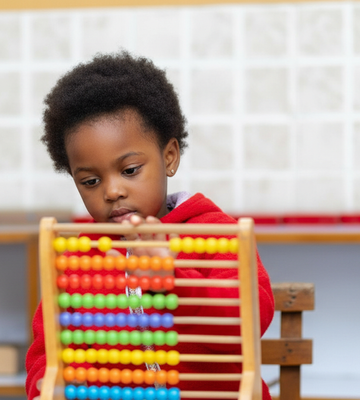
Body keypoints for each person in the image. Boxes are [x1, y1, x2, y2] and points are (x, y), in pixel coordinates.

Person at [26, 51, 275, 400]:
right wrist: (44, 385)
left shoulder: (217, 234)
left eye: (129, 170)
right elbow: (46, 352)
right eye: (90, 181)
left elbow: (251, 316)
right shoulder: (78, 260)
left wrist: (174, 276)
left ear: (169, 157)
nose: (112, 191)